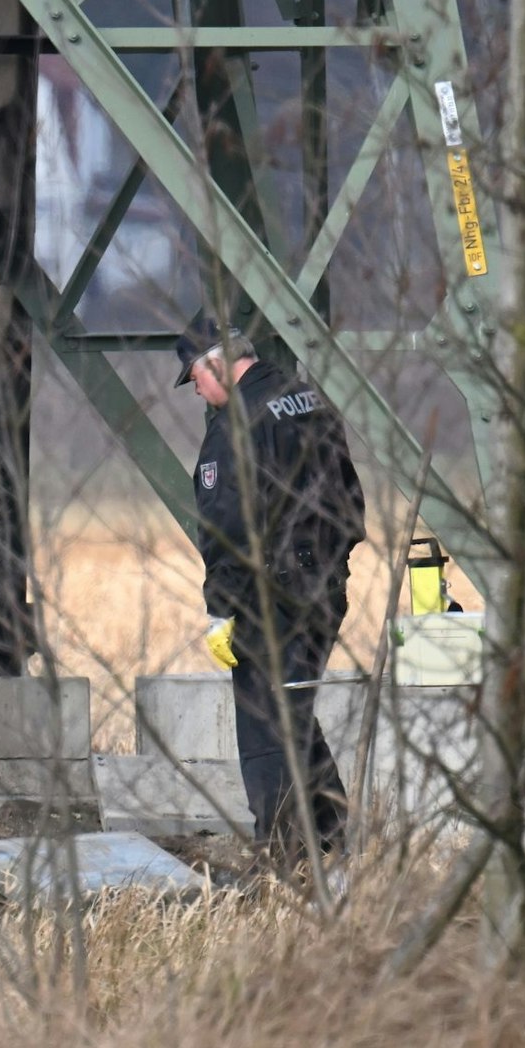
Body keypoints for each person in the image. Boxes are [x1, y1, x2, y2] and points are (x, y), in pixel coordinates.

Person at [176, 318, 366, 864]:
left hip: (268, 597)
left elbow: (227, 528)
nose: (196, 391)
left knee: (265, 725)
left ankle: (282, 854)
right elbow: (349, 504)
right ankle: (329, 836)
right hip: (324, 588)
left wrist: (223, 611)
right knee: (294, 711)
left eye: (194, 377)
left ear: (216, 363)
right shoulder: (307, 400)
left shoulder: (235, 423)